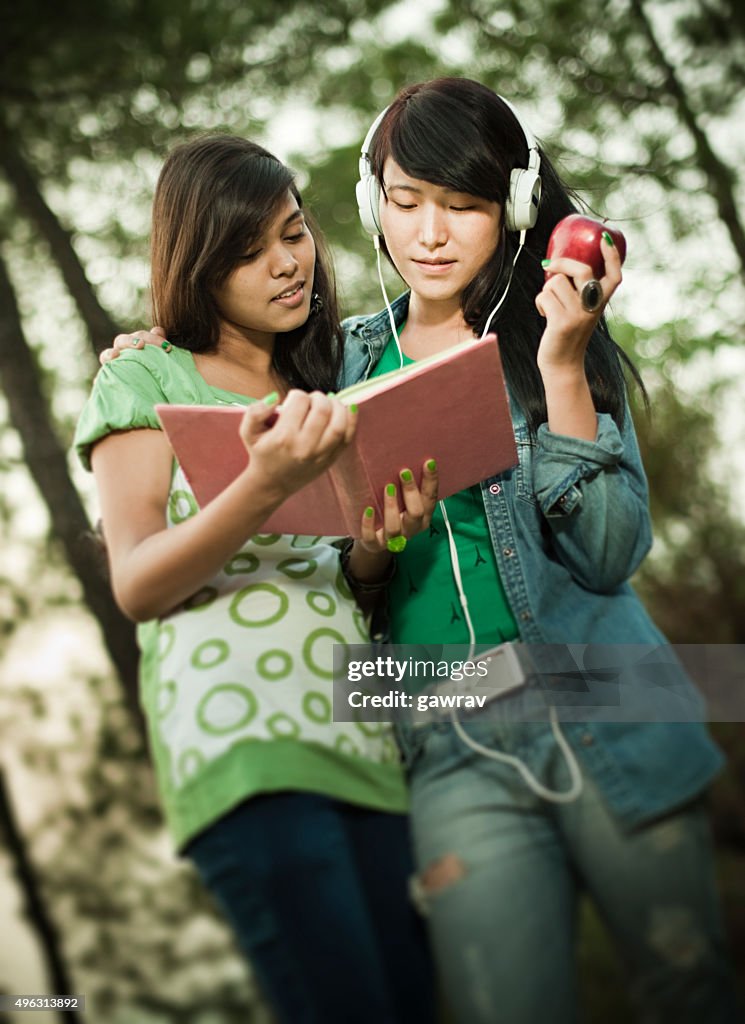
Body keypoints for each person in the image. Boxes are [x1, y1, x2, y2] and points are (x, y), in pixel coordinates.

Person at [101, 80, 741, 1023]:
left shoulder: (560, 336)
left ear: (513, 211)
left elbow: (608, 555)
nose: (430, 235)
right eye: (406, 204)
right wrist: (159, 339)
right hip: (444, 739)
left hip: (606, 699)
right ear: (372, 206)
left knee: (690, 992)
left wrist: (563, 369)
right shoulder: (335, 364)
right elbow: (335, 570)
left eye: (464, 207)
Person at [74, 134, 437, 1024]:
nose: (285, 265)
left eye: (292, 233)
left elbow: (344, 585)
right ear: (197, 268)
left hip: (361, 753)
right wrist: (262, 484)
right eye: (247, 253)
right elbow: (138, 582)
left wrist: (376, 544)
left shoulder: (324, 384)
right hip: (245, 755)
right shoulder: (145, 375)